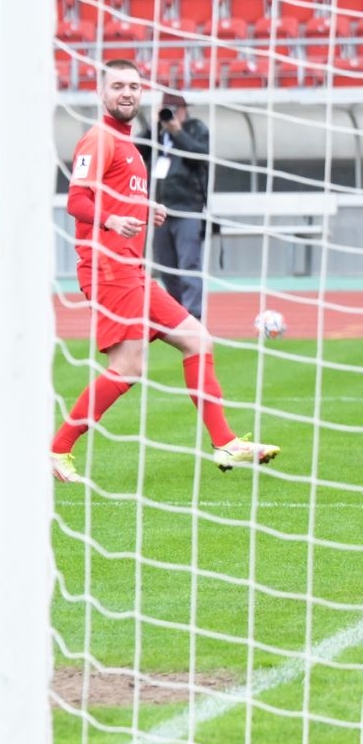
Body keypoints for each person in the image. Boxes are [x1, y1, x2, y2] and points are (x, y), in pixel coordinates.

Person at [50, 59, 277, 484]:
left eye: (134, 86)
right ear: (102, 93)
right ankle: (59, 447)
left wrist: (142, 208)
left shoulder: (130, 145)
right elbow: (76, 201)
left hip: (131, 270)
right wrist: (113, 221)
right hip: (108, 267)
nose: (127, 92)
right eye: (117, 85)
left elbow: (113, 197)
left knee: (197, 338)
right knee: (129, 368)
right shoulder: (99, 139)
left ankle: (225, 442)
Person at [152, 93, 211, 319]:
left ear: (185, 110)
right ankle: (178, 316)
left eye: (175, 110)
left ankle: (193, 317)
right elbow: (137, 149)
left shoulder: (196, 129)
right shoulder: (156, 134)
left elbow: (200, 156)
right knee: (167, 268)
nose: (172, 115)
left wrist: (177, 131)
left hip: (187, 207)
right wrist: (154, 125)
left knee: (189, 266)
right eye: (167, 110)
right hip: (161, 210)